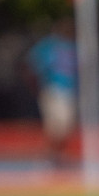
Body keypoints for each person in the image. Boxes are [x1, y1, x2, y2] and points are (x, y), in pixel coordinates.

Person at [25, 21, 77, 165]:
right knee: (55, 125)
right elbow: (31, 66)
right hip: (53, 90)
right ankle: (51, 156)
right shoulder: (48, 46)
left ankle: (57, 155)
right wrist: (38, 89)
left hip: (68, 91)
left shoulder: (72, 48)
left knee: (66, 125)